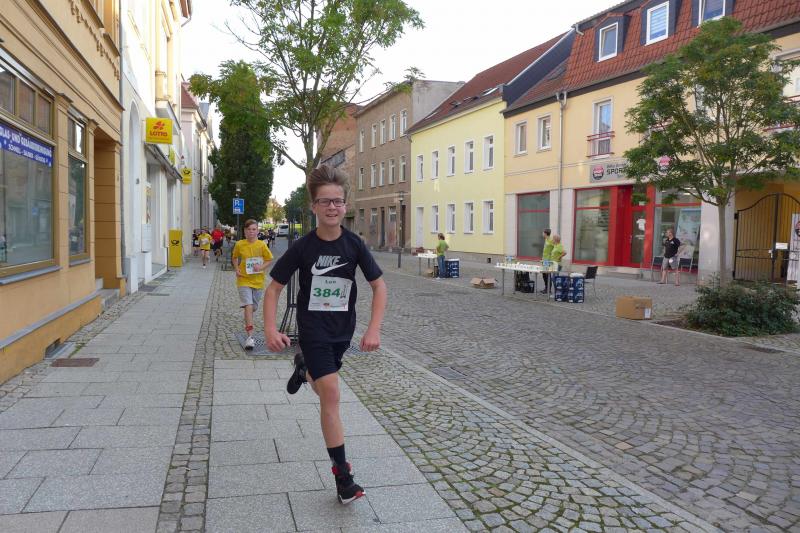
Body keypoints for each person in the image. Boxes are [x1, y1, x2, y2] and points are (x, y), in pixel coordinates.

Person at [264, 165, 387, 505]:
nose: (332, 207)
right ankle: (343, 478)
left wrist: (373, 328)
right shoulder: (303, 247)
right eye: (325, 201)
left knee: (324, 388)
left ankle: (304, 369)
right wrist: (271, 329)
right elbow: (274, 289)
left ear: (345, 205)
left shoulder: (354, 245)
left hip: (342, 332)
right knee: (331, 393)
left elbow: (379, 287)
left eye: (338, 201)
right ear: (314, 206)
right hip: (313, 330)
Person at [233, 219, 274, 349]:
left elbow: (269, 259)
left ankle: (248, 312)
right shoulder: (239, 244)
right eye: (248, 229)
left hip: (258, 281)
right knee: (249, 305)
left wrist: (260, 267)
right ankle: (250, 337)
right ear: (245, 231)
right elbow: (235, 257)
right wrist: (237, 268)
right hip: (243, 279)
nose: (251, 232)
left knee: (253, 307)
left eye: (253, 229)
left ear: (257, 231)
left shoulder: (261, 245)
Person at [540, 229, 553, 294]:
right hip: (544, 259)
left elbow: (555, 247)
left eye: (543, 233)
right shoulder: (546, 239)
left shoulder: (551, 240)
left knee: (547, 274)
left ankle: (548, 289)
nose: (542, 234)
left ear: (545, 233)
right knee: (544, 274)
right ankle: (546, 288)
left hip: (548, 260)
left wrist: (552, 256)